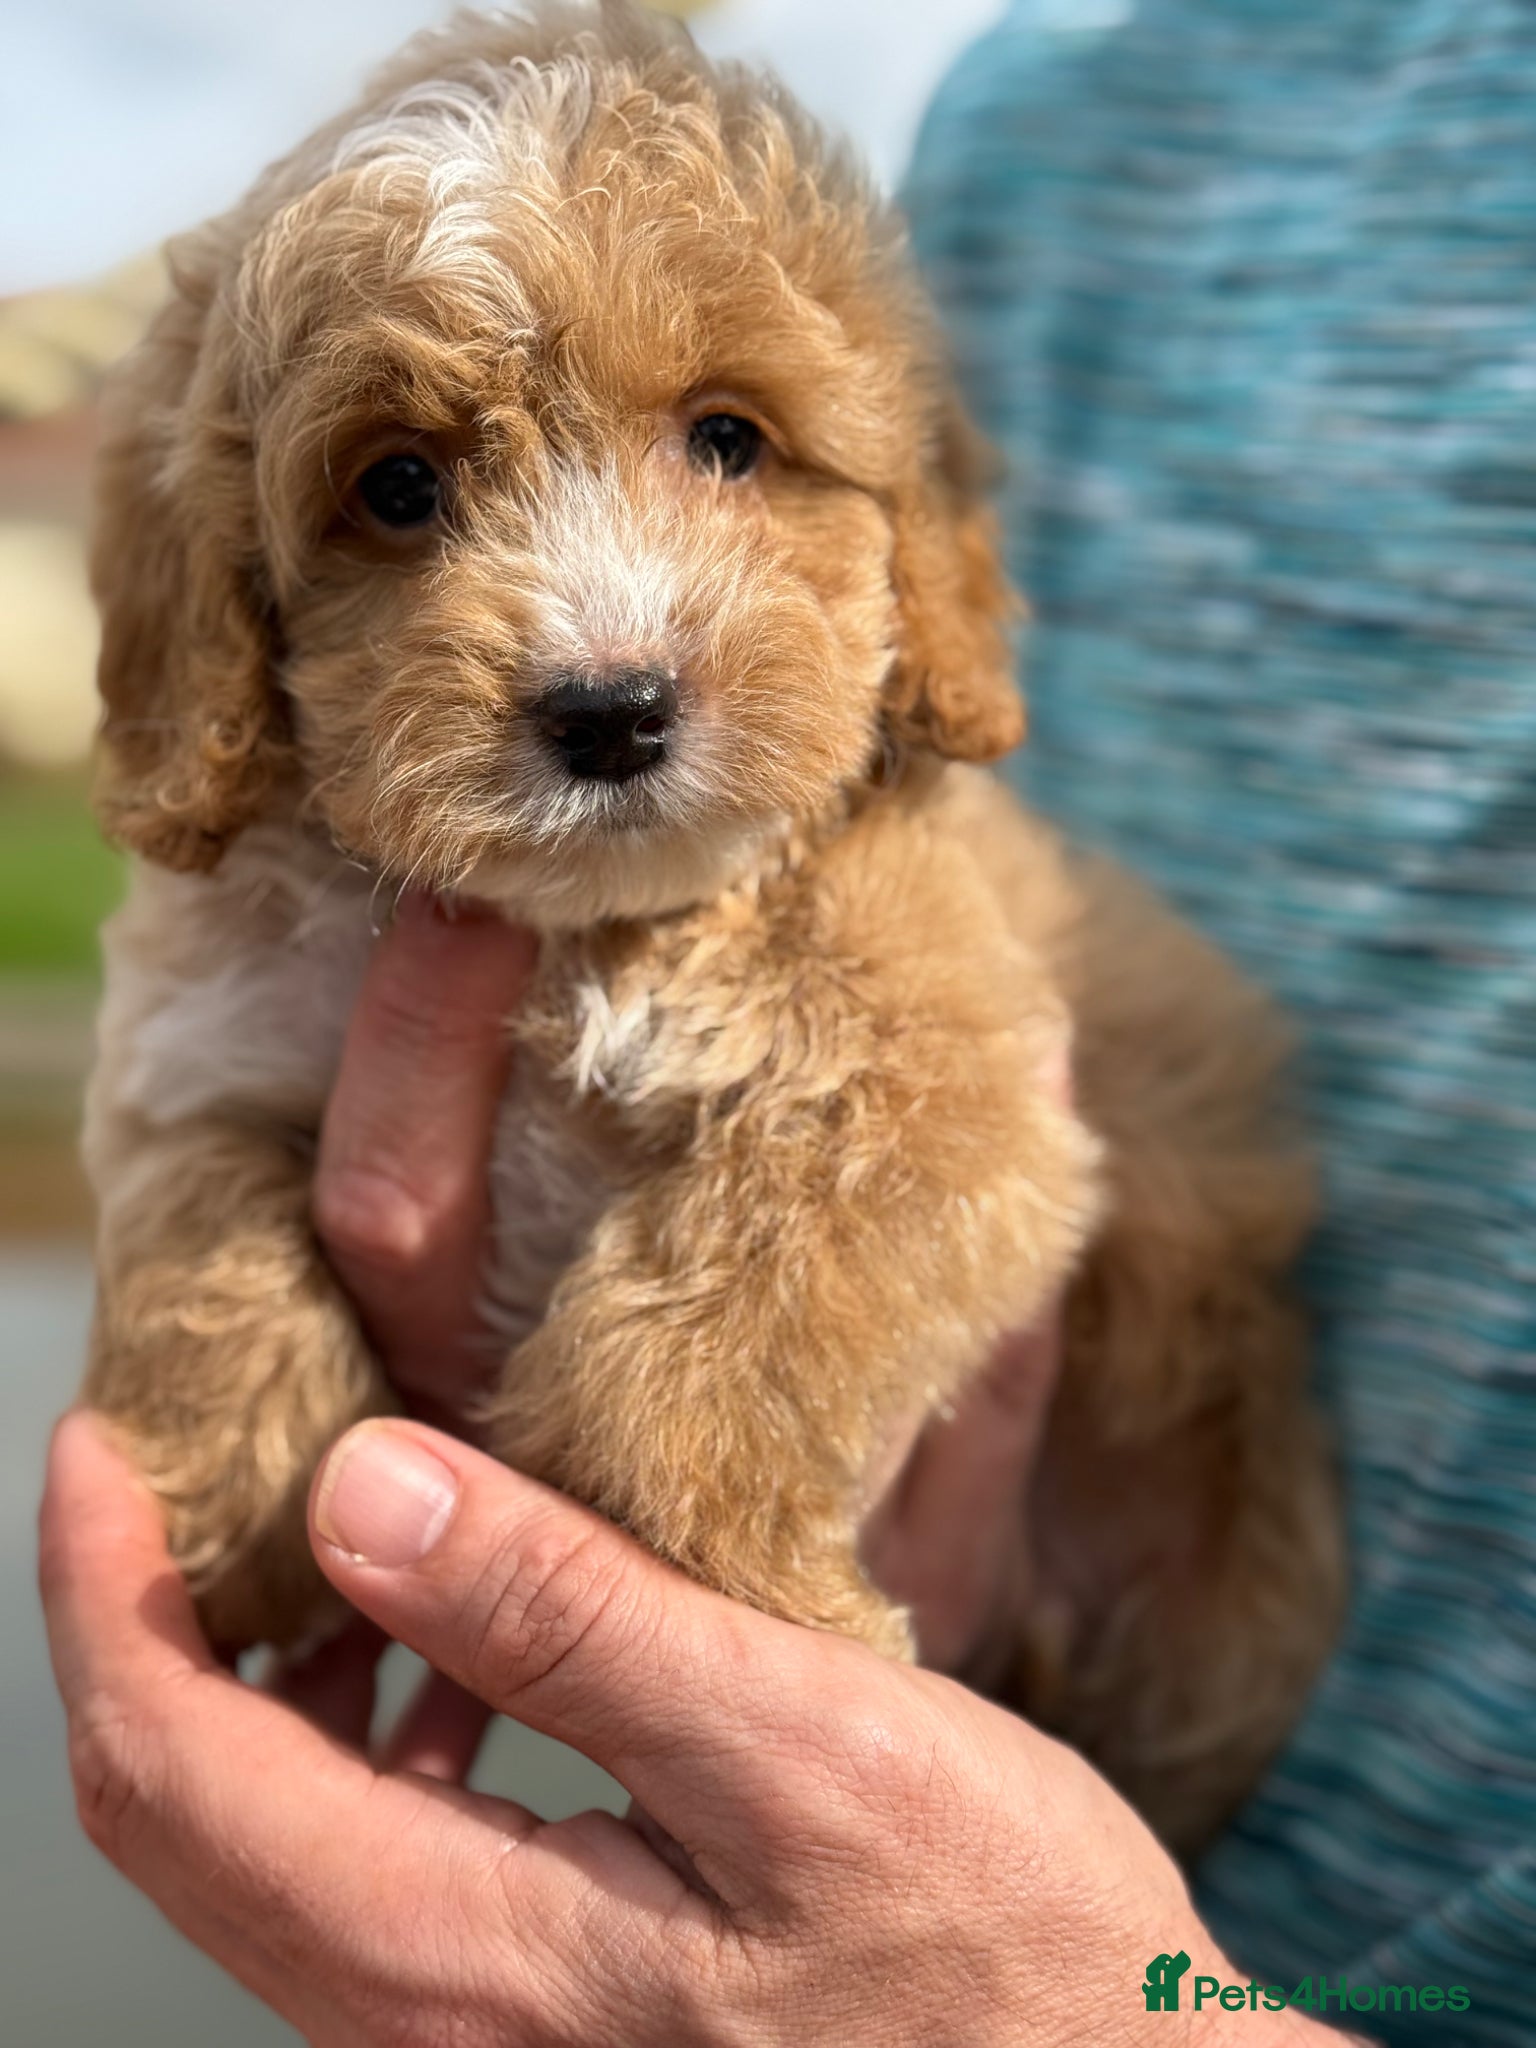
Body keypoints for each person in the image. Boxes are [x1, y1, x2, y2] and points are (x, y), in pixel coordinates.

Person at [40, 0, 1536, 2038]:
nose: (604, 637)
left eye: (727, 441)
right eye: (398, 487)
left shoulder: (881, 846)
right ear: (232, 576)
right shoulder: (1039, 134)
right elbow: (195, 1112)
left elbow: (965, 1130)